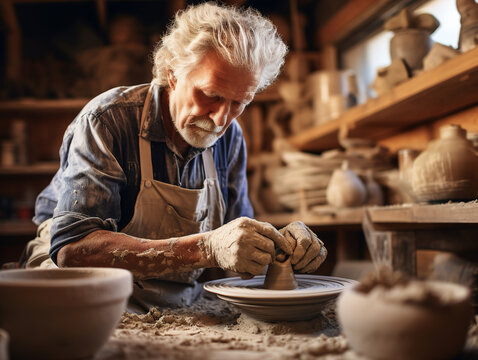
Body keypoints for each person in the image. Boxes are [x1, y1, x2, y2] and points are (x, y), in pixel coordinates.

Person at [21, 2, 327, 311]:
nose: (221, 119)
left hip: (172, 298)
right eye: (211, 95)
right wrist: (207, 247)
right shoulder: (108, 120)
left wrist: (279, 245)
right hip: (81, 292)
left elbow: (236, 248)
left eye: (240, 102)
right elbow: (73, 251)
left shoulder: (230, 138)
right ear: (173, 74)